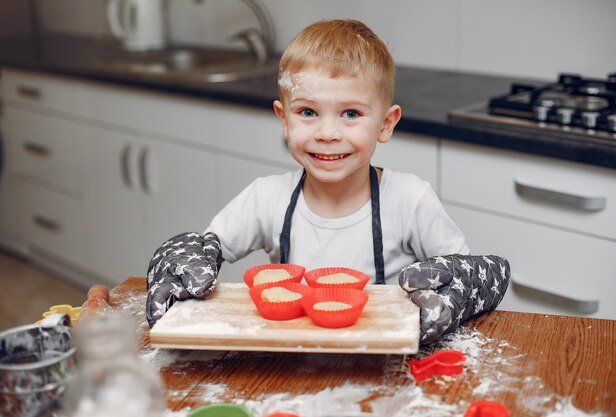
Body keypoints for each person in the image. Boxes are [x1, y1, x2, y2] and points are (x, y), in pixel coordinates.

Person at [146, 19, 510, 344]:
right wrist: (179, 264)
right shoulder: (266, 198)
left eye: (351, 113)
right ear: (284, 119)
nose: (327, 133)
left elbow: (469, 276)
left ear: (385, 124)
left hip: (384, 364)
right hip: (289, 362)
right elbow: (204, 249)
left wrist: (448, 296)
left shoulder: (410, 200)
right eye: (307, 112)